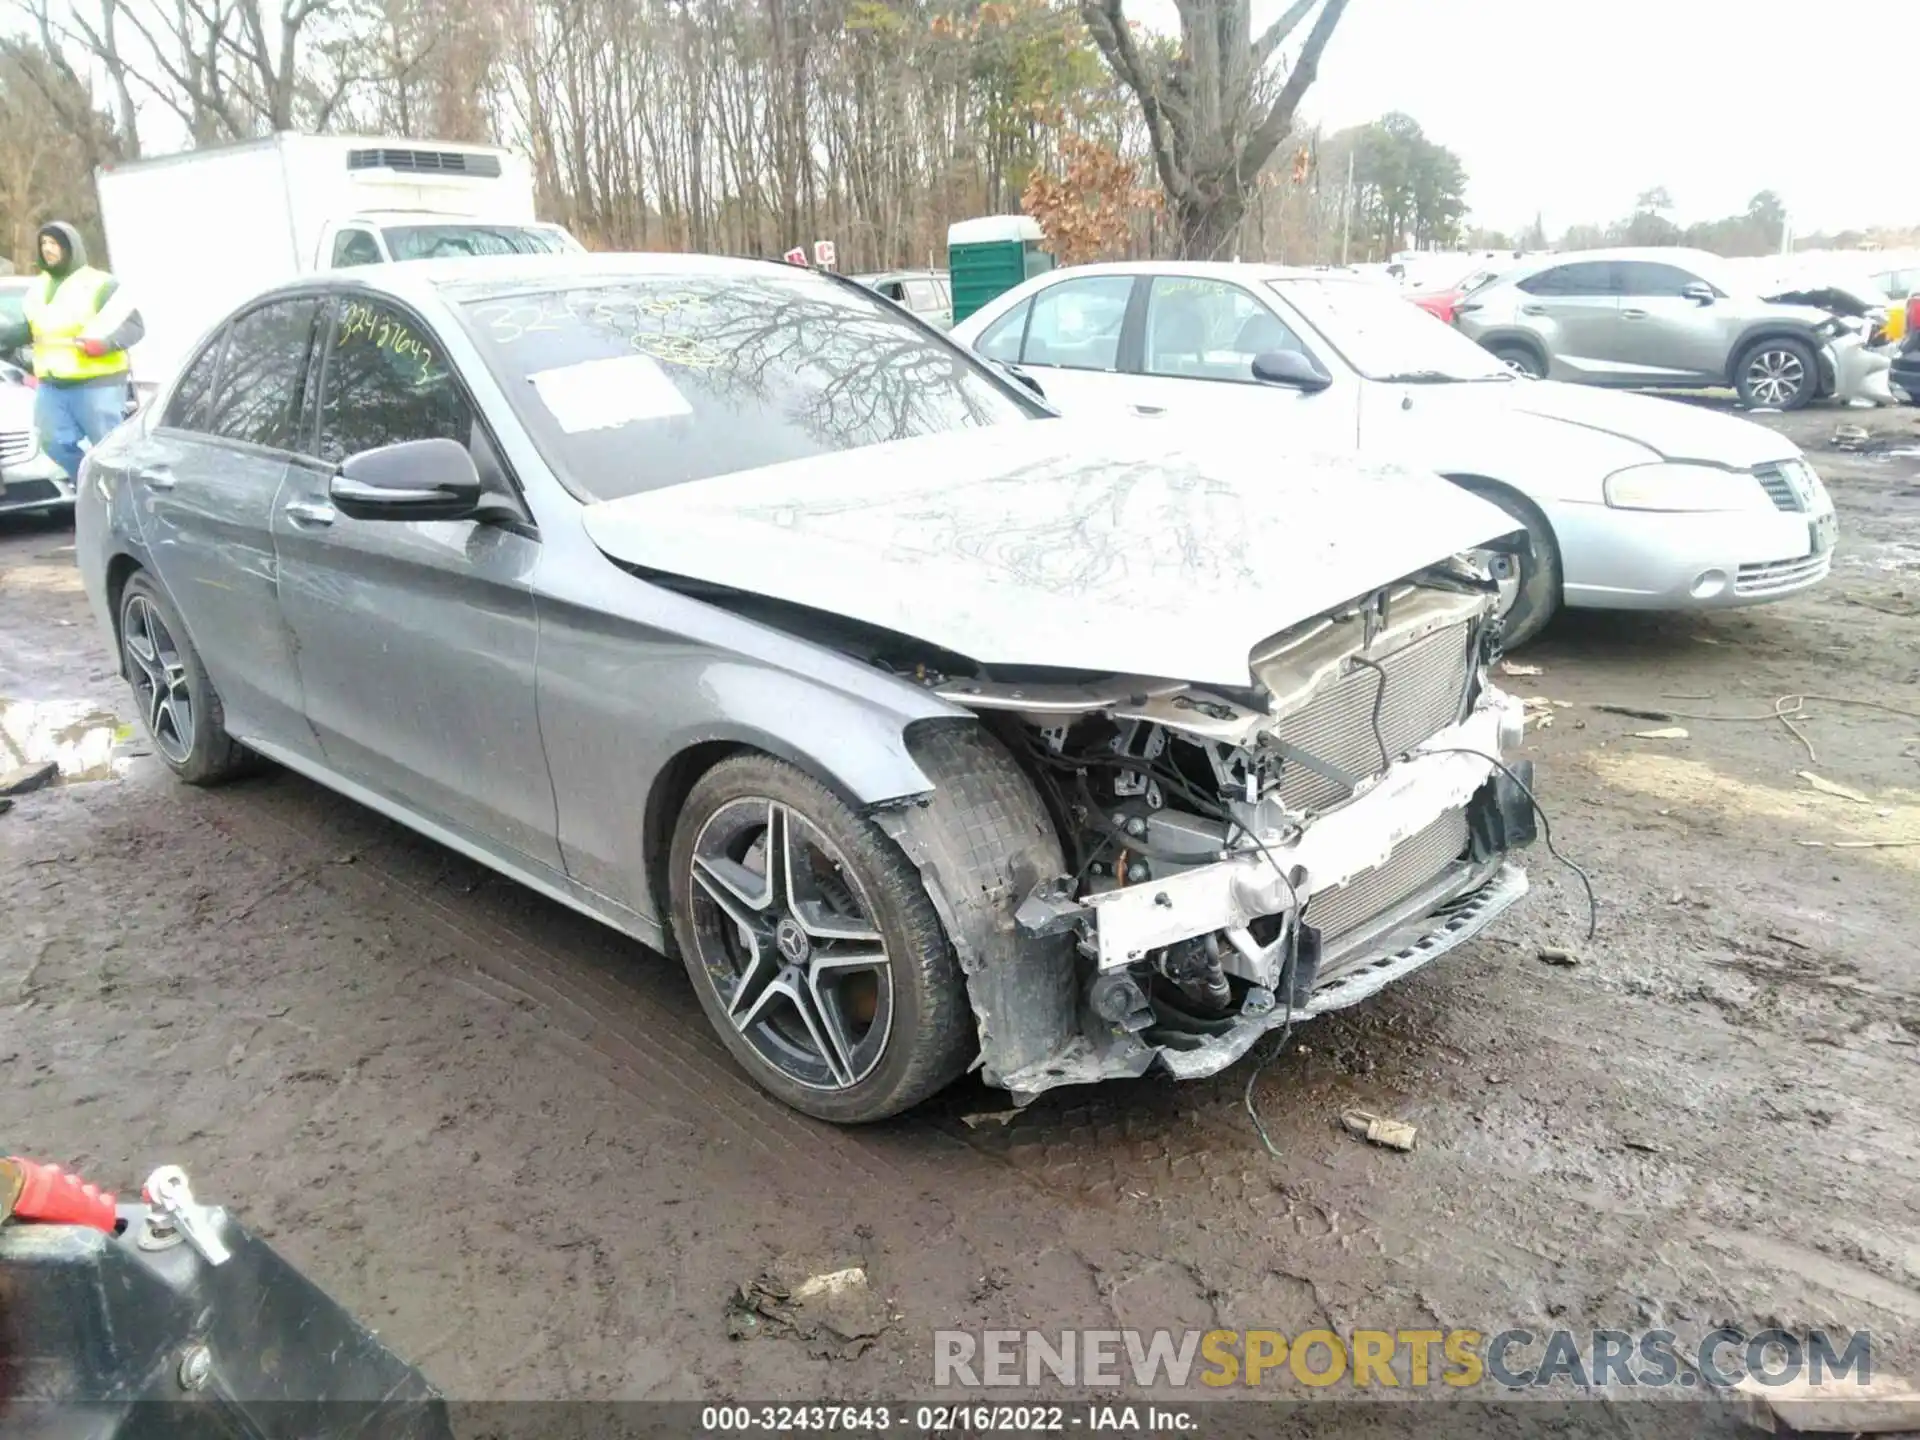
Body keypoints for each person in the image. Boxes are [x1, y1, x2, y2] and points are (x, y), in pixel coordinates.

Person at [0, 222, 143, 479]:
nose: (48, 249)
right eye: (43, 244)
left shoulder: (100, 284)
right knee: (52, 443)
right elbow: (31, 329)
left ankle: (122, 494)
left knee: (110, 450)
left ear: (71, 247)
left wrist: (104, 344)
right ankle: (92, 486)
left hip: (97, 383)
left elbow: (134, 326)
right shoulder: (38, 287)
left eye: (54, 243)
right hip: (53, 385)